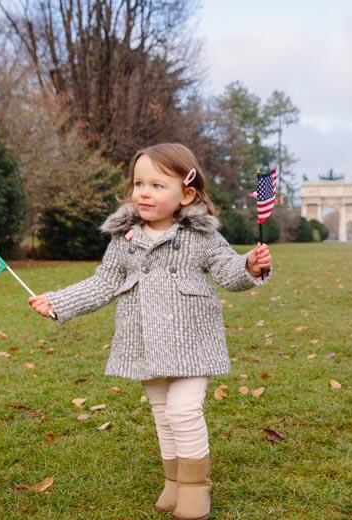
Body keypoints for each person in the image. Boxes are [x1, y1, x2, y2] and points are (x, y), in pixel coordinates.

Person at [28, 143, 272, 520]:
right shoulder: (124, 239)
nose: (144, 192)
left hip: (193, 344)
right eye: (139, 183)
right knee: (162, 412)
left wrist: (250, 267)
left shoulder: (201, 236)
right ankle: (173, 482)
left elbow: (229, 272)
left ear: (186, 193)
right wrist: (58, 301)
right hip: (145, 343)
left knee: (183, 410)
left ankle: (195, 489)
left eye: (158, 185)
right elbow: (103, 283)